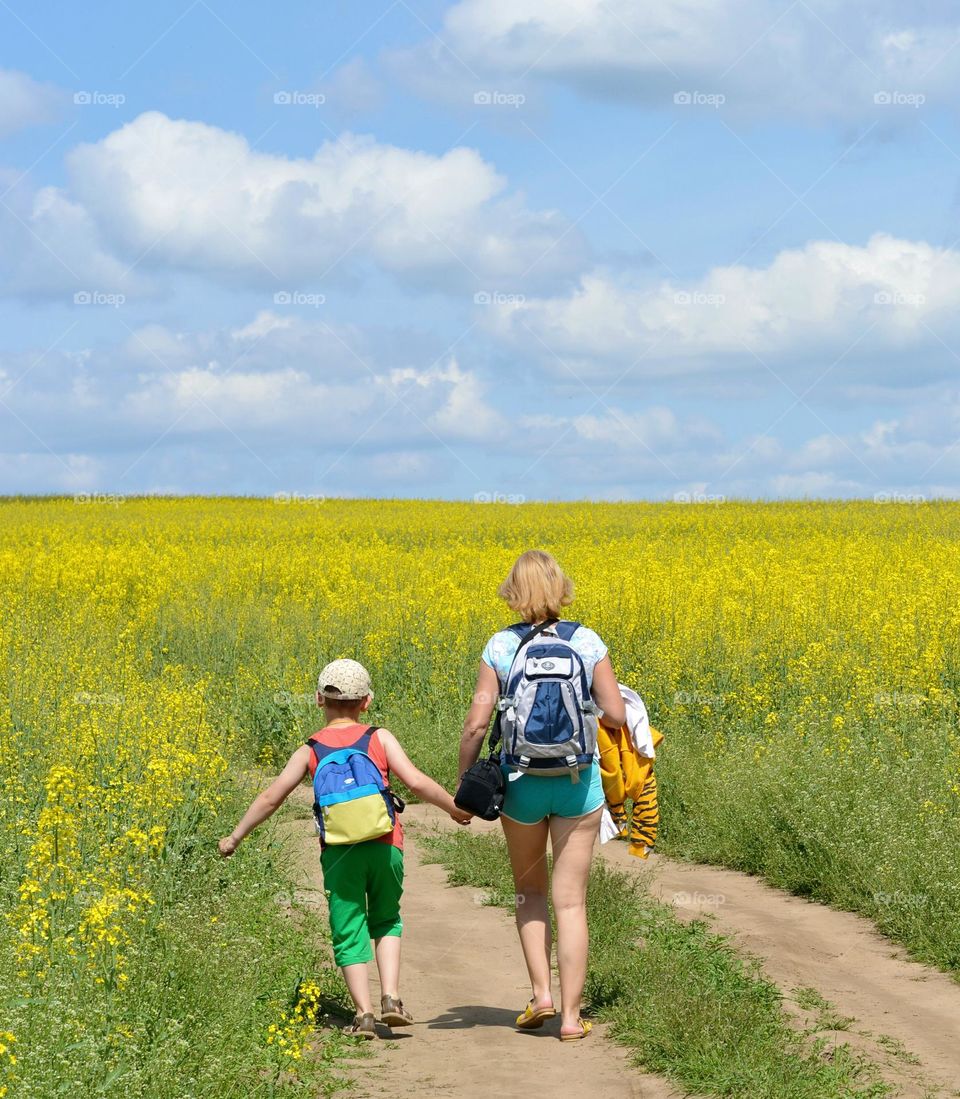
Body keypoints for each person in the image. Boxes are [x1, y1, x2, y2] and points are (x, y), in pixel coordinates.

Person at [220, 658, 471, 1039]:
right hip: (387, 845)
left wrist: (235, 836)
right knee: (386, 918)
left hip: (340, 852)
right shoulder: (378, 738)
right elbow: (416, 782)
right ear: (366, 702)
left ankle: (365, 1014)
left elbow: (272, 797)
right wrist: (453, 807)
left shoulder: (311, 749)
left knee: (348, 926)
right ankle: (391, 998)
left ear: (319, 699)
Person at [458, 550, 626, 1041]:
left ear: (513, 591)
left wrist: (464, 788)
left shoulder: (501, 646)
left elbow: (476, 725)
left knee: (529, 892)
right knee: (570, 902)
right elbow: (614, 715)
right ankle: (572, 1019)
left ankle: (542, 994)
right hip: (578, 785)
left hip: (520, 785)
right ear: (561, 587)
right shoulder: (587, 641)